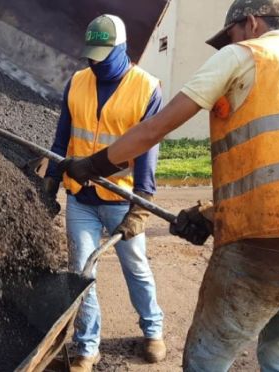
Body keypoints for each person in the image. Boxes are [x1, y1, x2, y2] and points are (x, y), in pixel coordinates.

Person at [61, 1, 279, 371]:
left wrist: (94, 164)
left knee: (205, 358)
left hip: (261, 242)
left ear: (251, 22)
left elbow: (156, 128)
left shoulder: (245, 56)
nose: (230, 42)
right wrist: (215, 214)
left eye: (231, 34)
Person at [42, 14, 165, 371]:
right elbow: (60, 139)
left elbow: (147, 149)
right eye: (91, 55)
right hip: (80, 196)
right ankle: (86, 346)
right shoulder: (77, 81)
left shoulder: (146, 87)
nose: (94, 62)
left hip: (121, 198)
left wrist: (142, 203)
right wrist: (51, 181)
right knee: (81, 272)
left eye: (102, 55)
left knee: (136, 267)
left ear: (122, 48)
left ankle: (153, 331)